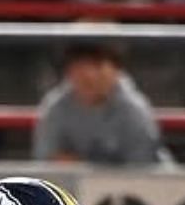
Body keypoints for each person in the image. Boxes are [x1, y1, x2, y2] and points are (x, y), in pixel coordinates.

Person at [33, 41, 166, 166]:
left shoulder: (135, 111)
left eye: (97, 65)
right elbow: (47, 165)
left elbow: (142, 171)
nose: (89, 75)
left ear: (116, 70)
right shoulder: (54, 109)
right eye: (80, 65)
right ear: (68, 71)